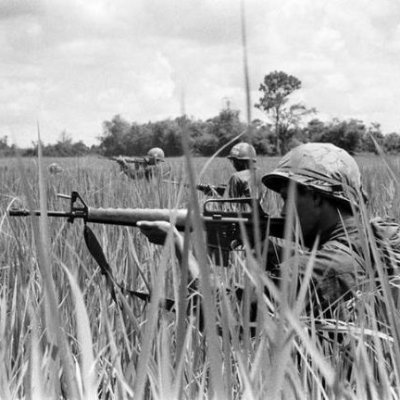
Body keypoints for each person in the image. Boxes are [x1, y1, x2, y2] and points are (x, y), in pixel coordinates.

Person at [197, 142, 263, 199]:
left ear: (239, 162)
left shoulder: (236, 177)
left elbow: (229, 205)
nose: (233, 164)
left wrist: (214, 194)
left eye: (234, 161)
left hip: (244, 213)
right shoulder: (262, 175)